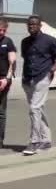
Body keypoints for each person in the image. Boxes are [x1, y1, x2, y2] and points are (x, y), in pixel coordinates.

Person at [21, 15, 56, 155]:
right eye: (29, 24)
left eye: (34, 24)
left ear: (40, 26)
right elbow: (26, 59)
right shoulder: (25, 42)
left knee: (34, 108)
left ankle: (35, 141)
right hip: (28, 79)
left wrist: (52, 70)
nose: (31, 26)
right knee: (38, 109)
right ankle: (46, 139)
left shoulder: (49, 40)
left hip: (43, 76)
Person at [0, 19, 16, 149]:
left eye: (4, 30)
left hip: (3, 79)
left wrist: (7, 78)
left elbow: (13, 62)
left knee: (1, 110)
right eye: (0, 29)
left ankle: (0, 140)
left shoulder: (8, 42)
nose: (1, 32)